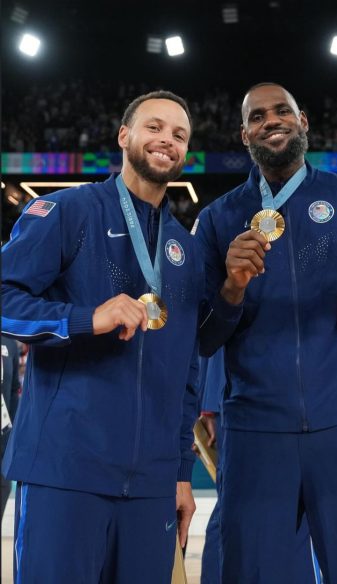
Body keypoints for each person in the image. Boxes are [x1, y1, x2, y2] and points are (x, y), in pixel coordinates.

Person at [1, 90, 239, 583]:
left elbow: (186, 371)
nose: (166, 140)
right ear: (124, 136)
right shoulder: (68, 212)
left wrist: (178, 472)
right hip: (66, 472)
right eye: (154, 127)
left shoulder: (183, 249)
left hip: (151, 486)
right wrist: (86, 318)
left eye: (179, 135)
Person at [194, 82, 337, 584]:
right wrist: (231, 290)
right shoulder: (218, 220)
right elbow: (204, 340)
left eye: (281, 111)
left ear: (303, 121)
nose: (271, 121)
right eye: (257, 117)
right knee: (249, 572)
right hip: (255, 429)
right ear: (244, 133)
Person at [197, 349, 322, 584]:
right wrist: (209, 405)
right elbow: (217, 320)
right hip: (240, 395)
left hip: (263, 393)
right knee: (231, 510)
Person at [1, 336, 21, 520]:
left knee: (3, 487)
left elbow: (14, 388)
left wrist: (14, 431)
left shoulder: (8, 343)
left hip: (3, 438)